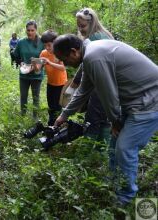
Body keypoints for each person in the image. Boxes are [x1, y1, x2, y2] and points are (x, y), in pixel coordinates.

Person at [53, 34, 158, 205]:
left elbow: (109, 96)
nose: (64, 64)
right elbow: (83, 90)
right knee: (114, 147)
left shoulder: (94, 57)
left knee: (125, 147)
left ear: (73, 51)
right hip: (134, 102)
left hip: (149, 101)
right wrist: (64, 115)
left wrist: (115, 121)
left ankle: (125, 197)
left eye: (63, 59)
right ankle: (113, 185)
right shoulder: (91, 54)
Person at [71, 8, 114, 143]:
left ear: (92, 23)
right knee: (104, 118)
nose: (81, 29)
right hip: (110, 82)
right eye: (78, 26)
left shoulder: (94, 38)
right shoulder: (103, 34)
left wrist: (75, 82)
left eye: (83, 26)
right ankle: (101, 150)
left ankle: (87, 153)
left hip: (101, 82)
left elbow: (85, 65)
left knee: (92, 118)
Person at [13, 21, 44, 119]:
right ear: (26, 30)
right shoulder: (21, 42)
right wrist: (20, 63)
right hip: (24, 74)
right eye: (28, 30)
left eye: (32, 30)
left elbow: (44, 58)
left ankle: (35, 118)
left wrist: (36, 66)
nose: (30, 32)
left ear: (36, 30)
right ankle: (23, 116)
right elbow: (15, 55)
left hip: (36, 75)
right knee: (23, 96)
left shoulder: (41, 42)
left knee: (36, 97)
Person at [39, 30, 67, 126]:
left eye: (49, 45)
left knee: (58, 107)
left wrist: (49, 62)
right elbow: (38, 69)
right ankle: (51, 126)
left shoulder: (60, 52)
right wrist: (34, 64)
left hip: (61, 84)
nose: (47, 48)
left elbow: (63, 68)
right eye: (45, 45)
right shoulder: (43, 53)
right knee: (51, 106)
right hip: (50, 83)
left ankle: (57, 126)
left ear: (55, 43)